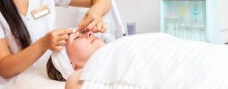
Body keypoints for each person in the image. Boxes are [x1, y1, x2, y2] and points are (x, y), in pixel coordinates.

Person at [48, 32, 228, 89]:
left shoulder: (120, 47)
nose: (89, 33)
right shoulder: (79, 78)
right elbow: (72, 83)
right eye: (78, 37)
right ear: (70, 64)